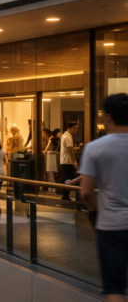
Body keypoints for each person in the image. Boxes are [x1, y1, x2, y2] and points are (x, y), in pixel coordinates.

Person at [79, 93, 128, 302]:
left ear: (108, 117)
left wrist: (94, 211)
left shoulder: (95, 148)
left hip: (111, 225)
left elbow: (86, 192)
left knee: (114, 287)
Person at [60, 121, 79, 200]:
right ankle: (66, 196)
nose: (76, 130)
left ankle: (66, 195)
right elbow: (70, 149)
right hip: (68, 161)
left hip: (65, 160)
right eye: (76, 128)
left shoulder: (64, 135)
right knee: (69, 178)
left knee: (67, 178)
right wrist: (74, 161)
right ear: (72, 127)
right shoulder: (68, 136)